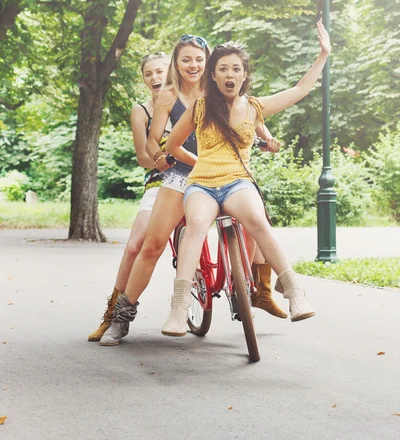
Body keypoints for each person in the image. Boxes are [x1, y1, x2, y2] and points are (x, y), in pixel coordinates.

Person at [101, 35, 285, 345]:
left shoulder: (224, 87)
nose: (193, 65)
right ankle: (121, 317)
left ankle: (255, 289)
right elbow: (152, 138)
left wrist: (267, 140)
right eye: (186, 60)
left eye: (199, 59)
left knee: (256, 218)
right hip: (181, 175)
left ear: (210, 64)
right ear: (176, 64)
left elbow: (253, 119)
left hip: (226, 173)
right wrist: (158, 156)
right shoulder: (168, 97)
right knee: (152, 243)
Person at [162, 21, 330, 336]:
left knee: (257, 218)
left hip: (238, 181)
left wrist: (323, 54)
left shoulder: (254, 107)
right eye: (222, 69)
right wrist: (199, 161)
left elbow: (299, 90)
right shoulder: (200, 107)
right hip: (202, 184)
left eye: (235, 69)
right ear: (213, 75)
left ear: (244, 74)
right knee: (197, 224)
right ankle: (179, 307)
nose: (229, 74)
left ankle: (294, 292)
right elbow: (172, 145)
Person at [88, 52, 170, 342]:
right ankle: (112, 314)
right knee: (135, 246)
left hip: (197, 178)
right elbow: (141, 157)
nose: (155, 77)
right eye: (149, 74)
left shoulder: (190, 103)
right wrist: (162, 161)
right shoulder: (142, 111)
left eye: (160, 71)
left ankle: (252, 290)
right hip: (160, 180)